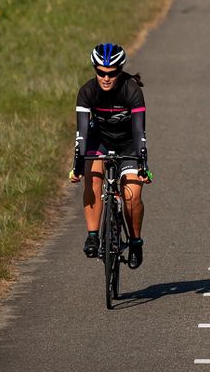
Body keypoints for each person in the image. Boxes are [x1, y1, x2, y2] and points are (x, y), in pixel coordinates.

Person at [70, 42, 151, 268]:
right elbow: (82, 134)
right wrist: (77, 166)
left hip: (128, 144)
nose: (106, 78)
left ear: (120, 70)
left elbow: (138, 132)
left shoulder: (132, 90)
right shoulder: (87, 92)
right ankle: (93, 235)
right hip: (99, 141)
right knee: (92, 175)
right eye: (101, 72)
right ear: (95, 69)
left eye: (112, 73)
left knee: (132, 194)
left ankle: (135, 241)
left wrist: (143, 165)